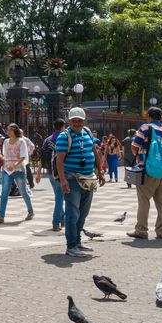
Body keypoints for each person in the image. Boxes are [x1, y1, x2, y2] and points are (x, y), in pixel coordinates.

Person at [55, 108, 104, 257]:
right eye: (74, 120)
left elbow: (94, 151)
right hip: (72, 179)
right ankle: (71, 246)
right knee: (72, 213)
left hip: (88, 178)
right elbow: (60, 159)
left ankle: (77, 242)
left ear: (84, 121)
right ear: (69, 121)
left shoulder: (87, 133)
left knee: (83, 213)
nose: (77, 122)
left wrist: (100, 170)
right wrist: (63, 181)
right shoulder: (64, 136)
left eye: (80, 120)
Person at [127, 107, 162, 240]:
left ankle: (141, 230)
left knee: (144, 201)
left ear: (148, 116)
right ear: (161, 117)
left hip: (148, 172)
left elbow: (135, 146)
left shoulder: (145, 128)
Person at [0, 123, 34, 224]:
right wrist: (3, 162)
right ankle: (1, 216)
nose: (8, 131)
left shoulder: (21, 141)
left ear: (15, 130)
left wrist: (14, 165)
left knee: (23, 192)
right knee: (5, 192)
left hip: (19, 170)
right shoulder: (6, 142)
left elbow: (23, 156)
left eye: (10, 130)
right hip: (7, 170)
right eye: (7, 130)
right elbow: (5, 155)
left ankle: (31, 211)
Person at [41, 118, 67, 232]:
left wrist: (38, 172)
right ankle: (56, 222)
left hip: (50, 172)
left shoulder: (47, 140)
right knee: (60, 199)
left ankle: (62, 220)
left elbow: (42, 156)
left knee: (58, 197)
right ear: (62, 127)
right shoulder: (63, 138)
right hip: (60, 173)